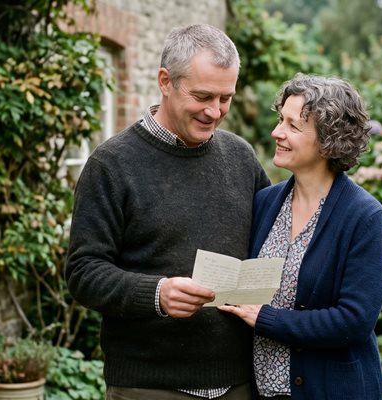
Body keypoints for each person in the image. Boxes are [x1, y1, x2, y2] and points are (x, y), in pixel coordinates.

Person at [66, 23, 270, 400]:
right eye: (203, 96)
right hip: (149, 385)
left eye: (226, 98)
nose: (215, 111)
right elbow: (83, 272)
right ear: (165, 81)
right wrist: (156, 294)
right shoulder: (111, 165)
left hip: (238, 381)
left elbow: (271, 245)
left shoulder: (241, 157)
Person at [218, 74, 382, 400]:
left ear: (329, 140)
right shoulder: (266, 203)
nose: (276, 133)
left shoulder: (363, 217)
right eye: (280, 119)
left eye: (293, 126)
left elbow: (354, 321)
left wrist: (267, 319)